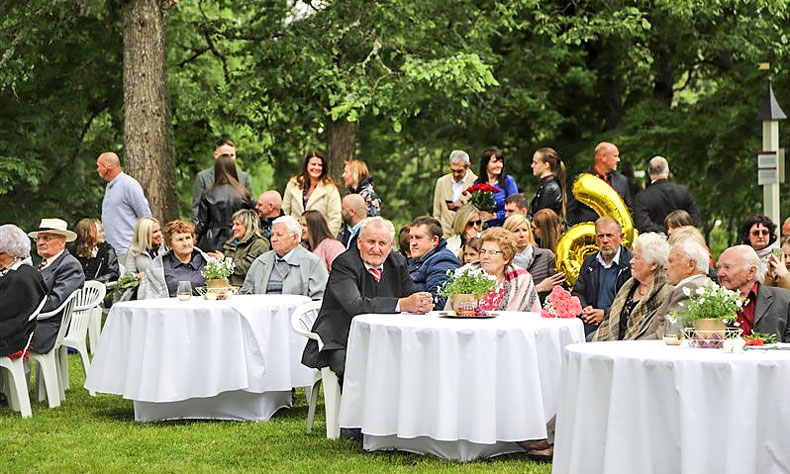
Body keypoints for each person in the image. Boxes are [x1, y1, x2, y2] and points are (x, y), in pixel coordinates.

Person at [301, 216, 432, 381]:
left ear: (390, 246)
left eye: (382, 244)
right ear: (359, 242)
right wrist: (402, 304)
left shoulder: (397, 261)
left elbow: (410, 296)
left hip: (384, 335)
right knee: (357, 369)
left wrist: (421, 303)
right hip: (342, 337)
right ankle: (355, 407)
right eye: (371, 242)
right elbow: (355, 306)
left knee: (414, 360)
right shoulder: (344, 263)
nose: (376, 249)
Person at [593, 233, 673, 341]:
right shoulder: (629, 285)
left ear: (653, 265)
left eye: (637, 258)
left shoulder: (666, 293)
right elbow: (609, 321)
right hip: (613, 347)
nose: (631, 261)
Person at [28, 218, 85, 353]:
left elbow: (54, 303)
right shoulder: (43, 263)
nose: (40, 242)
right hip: (33, 322)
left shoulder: (70, 265)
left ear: (62, 241)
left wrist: (22, 310)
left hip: (47, 328)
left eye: (47, 238)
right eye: (38, 239)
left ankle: (16, 373)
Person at [572, 217, 633, 340]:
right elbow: (578, 292)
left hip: (619, 324)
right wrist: (585, 309)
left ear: (621, 238)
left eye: (609, 235)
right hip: (589, 321)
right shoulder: (590, 262)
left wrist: (605, 313)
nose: (605, 240)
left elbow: (632, 302)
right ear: (596, 239)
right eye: (601, 236)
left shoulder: (631, 263)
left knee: (589, 339)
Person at [455, 227, 541, 312]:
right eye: (483, 251)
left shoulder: (522, 279)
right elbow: (453, 311)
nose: (485, 256)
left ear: (506, 258)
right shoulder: (467, 274)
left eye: (492, 252)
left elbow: (533, 317)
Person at [241, 216, 327, 299]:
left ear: (295, 237)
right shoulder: (261, 261)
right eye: (272, 235)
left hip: (296, 313)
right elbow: (246, 295)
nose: (274, 239)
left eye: (279, 235)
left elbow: (319, 301)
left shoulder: (313, 263)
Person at [717, 245, 790, 341]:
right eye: (719, 267)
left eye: (727, 267)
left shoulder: (783, 300)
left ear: (751, 272)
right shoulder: (712, 302)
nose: (720, 273)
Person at [0, 224, 46, 359]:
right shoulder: (16, 273)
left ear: (14, 253)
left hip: (9, 339)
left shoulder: (24, 277)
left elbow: (7, 312)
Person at [97, 151, 152, 261]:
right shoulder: (110, 186)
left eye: (99, 166)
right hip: (112, 251)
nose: (97, 170)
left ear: (107, 167)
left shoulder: (129, 185)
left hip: (127, 250)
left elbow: (146, 217)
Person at [653, 239, 714, 338]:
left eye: (671, 261)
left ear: (691, 265)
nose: (665, 267)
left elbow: (670, 334)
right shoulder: (700, 284)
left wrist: (629, 346)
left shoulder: (691, 288)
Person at [195, 154, 253, 252]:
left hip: (212, 239)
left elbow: (202, 223)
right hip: (238, 238)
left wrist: (196, 235)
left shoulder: (208, 193)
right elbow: (250, 219)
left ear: (216, 170)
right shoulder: (243, 194)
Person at [138, 220, 208, 299]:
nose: (185, 243)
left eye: (188, 238)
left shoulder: (208, 263)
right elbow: (149, 298)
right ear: (170, 245)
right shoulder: (157, 267)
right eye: (180, 240)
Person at [566, 142, 631, 226]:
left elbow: (628, 210)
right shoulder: (581, 180)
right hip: (588, 232)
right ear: (603, 157)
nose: (618, 160)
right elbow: (570, 210)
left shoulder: (622, 180)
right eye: (615, 156)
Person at [502, 214, 564, 300]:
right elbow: (505, 296)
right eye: (516, 231)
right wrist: (538, 288)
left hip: (542, 309)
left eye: (524, 230)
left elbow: (558, 289)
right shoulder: (503, 261)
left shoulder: (546, 255)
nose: (522, 234)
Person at [633, 156, 700, 234]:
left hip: (656, 243)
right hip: (683, 239)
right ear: (667, 171)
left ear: (649, 172)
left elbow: (644, 225)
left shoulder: (642, 197)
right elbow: (695, 217)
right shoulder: (683, 191)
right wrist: (680, 230)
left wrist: (666, 232)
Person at [282, 151, 342, 236]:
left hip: (319, 238)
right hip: (294, 236)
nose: (316, 167)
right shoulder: (293, 184)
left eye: (320, 165)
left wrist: (328, 239)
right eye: (313, 164)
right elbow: (285, 211)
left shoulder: (330, 189)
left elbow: (335, 218)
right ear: (306, 165)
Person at [192, 138, 252, 221]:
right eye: (225, 155)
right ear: (216, 155)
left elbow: (250, 207)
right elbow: (197, 208)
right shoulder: (203, 177)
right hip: (212, 228)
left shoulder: (243, 177)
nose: (229, 158)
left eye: (232, 155)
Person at [407, 217, 460, 309]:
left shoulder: (443, 259)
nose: (413, 243)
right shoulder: (417, 259)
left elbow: (437, 303)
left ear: (435, 240)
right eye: (411, 238)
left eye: (418, 238)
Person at [213, 209, 269, 287]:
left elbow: (248, 268)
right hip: (227, 287)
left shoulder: (259, 244)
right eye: (233, 224)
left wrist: (223, 260)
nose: (233, 228)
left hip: (247, 289)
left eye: (237, 224)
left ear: (248, 226)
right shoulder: (230, 243)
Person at [432, 150, 477, 237]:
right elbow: (437, 212)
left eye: (459, 171)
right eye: (453, 170)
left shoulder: (476, 182)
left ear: (468, 166)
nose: (456, 174)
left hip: (467, 235)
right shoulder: (442, 182)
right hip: (445, 235)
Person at [474, 147, 518, 228]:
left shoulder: (508, 181)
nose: (499, 165)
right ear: (485, 164)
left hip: (505, 226)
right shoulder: (478, 183)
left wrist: (495, 216)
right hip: (483, 228)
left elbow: (515, 207)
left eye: (500, 162)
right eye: (494, 162)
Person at [73, 218, 119, 283]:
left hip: (100, 290)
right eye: (100, 231)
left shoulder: (107, 250)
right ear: (88, 233)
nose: (103, 234)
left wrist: (93, 282)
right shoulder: (73, 251)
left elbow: (113, 274)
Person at [529, 147, 567, 220]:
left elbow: (540, 219)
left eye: (535, 163)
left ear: (546, 165)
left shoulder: (550, 188)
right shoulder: (546, 185)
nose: (532, 165)